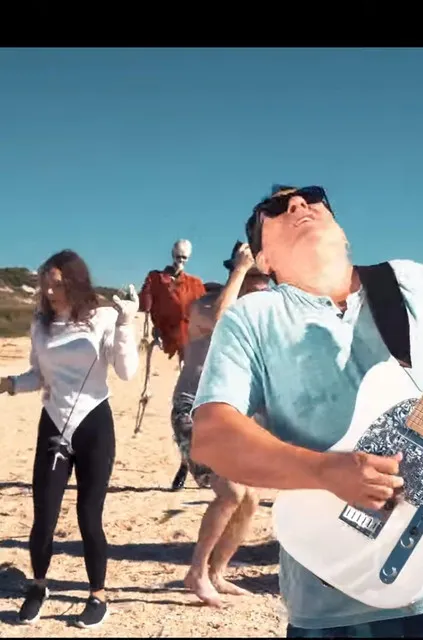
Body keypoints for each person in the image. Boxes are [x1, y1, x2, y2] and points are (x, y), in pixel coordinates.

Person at [190, 185, 423, 637]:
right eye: (273, 208)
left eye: (312, 197)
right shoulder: (252, 316)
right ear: (264, 260)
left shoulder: (411, 280)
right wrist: (325, 471)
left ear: (343, 232)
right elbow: (212, 435)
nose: (297, 205)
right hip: (331, 585)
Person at [0, 249, 139, 628]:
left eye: (57, 284)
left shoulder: (104, 317)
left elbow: (126, 371)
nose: (48, 290)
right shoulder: (40, 324)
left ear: (75, 282)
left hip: (95, 425)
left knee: (88, 516)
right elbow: (38, 376)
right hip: (54, 425)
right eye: (45, 282)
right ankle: (38, 586)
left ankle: (98, 595)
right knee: (43, 513)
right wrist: (8, 384)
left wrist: (127, 323)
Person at [173, 240, 271, 606]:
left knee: (250, 499)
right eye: (256, 277)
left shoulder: (258, 320)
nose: (263, 285)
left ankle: (217, 572)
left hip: (233, 415)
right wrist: (242, 270)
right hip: (193, 407)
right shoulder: (205, 306)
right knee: (230, 492)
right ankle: (196, 572)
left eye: (267, 278)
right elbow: (218, 323)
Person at [138, 239, 206, 490]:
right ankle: (187, 460)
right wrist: (149, 325)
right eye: (178, 257)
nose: (180, 262)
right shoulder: (156, 279)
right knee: (175, 407)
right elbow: (145, 304)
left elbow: (204, 309)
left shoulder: (195, 284)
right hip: (165, 343)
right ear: (172, 254)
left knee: (191, 407)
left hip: (191, 346)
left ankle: (186, 463)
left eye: (185, 258)